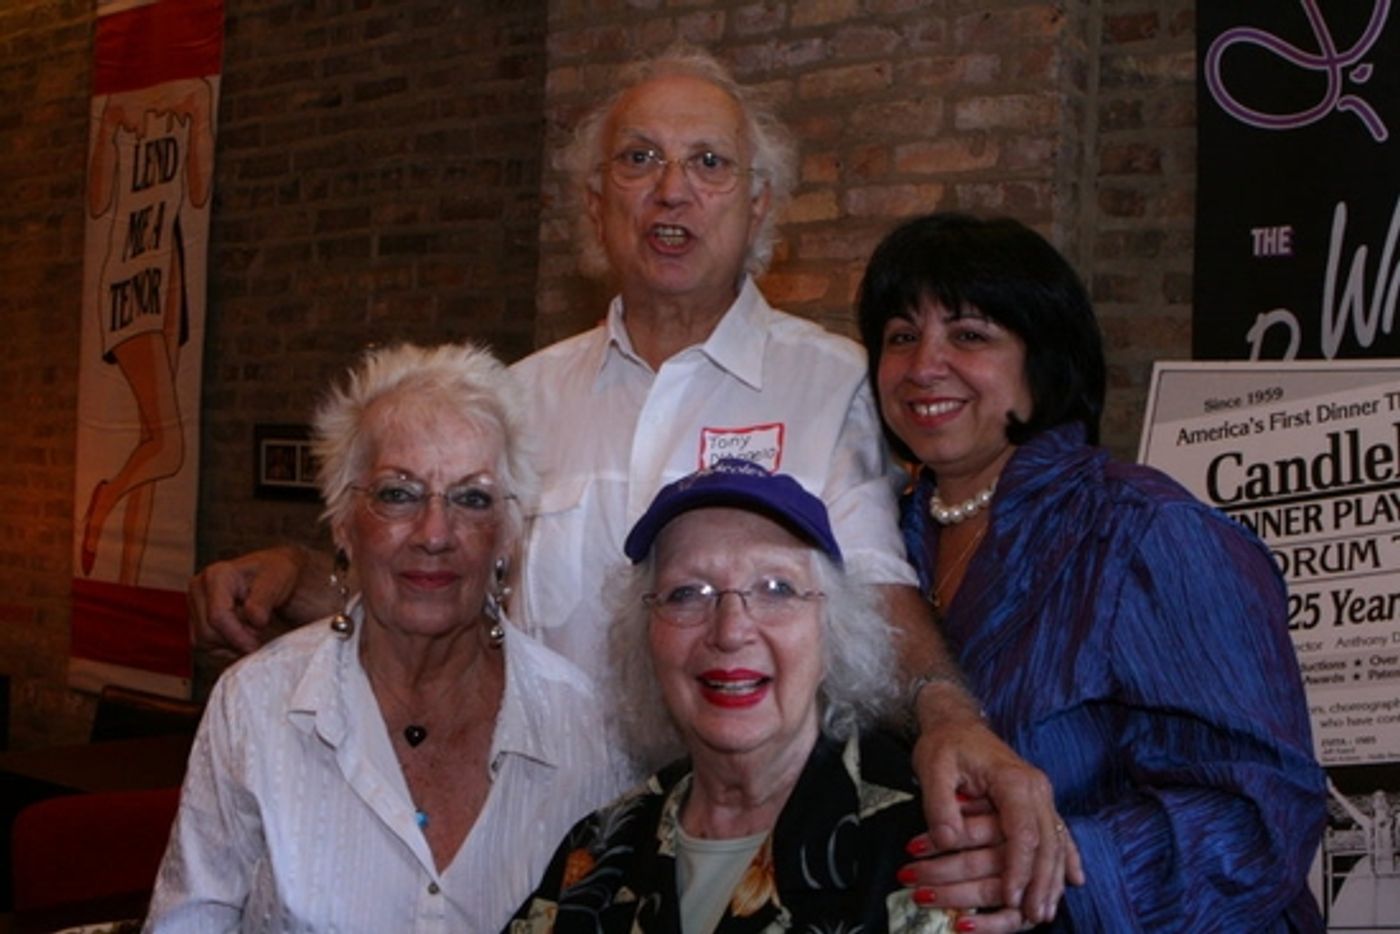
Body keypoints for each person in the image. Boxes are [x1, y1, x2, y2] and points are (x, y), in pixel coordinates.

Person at [189, 47, 1076, 924]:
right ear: (594, 203)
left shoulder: (832, 381)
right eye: (639, 159)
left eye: (709, 163)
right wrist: (310, 576)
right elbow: (447, 575)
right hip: (528, 837)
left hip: (742, 848)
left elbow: (877, 591)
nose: (671, 190)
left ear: (759, 202)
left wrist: (951, 719)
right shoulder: (522, 394)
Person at [857, 211, 1327, 930]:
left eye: (970, 334)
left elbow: (1264, 811)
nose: (924, 365)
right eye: (900, 336)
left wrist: (1056, 866)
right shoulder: (880, 542)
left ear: (1044, 359)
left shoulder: (1146, 532)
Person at [146, 343, 628, 931]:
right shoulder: (255, 704)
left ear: (507, 534)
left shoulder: (581, 726)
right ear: (344, 525)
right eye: (397, 493)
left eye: (471, 498)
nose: (434, 533)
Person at [507, 460, 962, 932]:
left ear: (832, 633)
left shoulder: (927, 843)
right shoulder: (602, 846)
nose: (730, 630)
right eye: (688, 593)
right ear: (645, 638)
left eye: (775, 588)